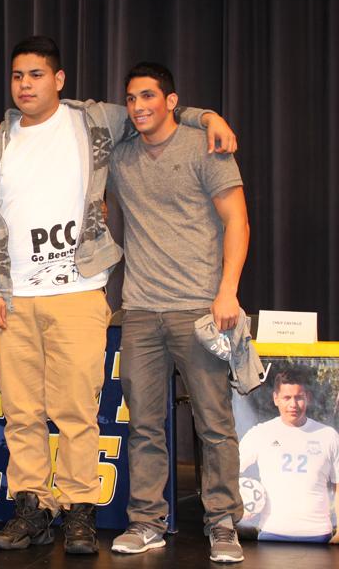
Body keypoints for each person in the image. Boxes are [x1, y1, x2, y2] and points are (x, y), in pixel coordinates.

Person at [0, 36, 236, 554]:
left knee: (76, 412)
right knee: (21, 413)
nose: (25, 84)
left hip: (79, 292)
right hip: (12, 298)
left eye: (36, 75)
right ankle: (32, 508)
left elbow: (156, 109)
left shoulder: (94, 121)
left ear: (59, 80)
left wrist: (209, 117)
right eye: (18, 76)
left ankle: (79, 511)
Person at [106, 62, 249, 563]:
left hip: (200, 309)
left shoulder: (204, 147)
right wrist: (10, 122)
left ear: (172, 101)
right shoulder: (120, 155)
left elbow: (237, 221)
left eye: (149, 96)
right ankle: (147, 523)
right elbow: (76, 119)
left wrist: (227, 290)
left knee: (214, 424)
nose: (139, 106)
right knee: (145, 424)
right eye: (130, 98)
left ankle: (223, 524)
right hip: (141, 311)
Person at [239, 369, 339, 543]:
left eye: (298, 397)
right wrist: (239, 504)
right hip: (271, 533)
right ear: (276, 398)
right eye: (286, 398)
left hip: (318, 534)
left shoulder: (328, 435)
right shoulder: (260, 433)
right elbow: (226, 472)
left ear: (307, 397)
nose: (293, 404)